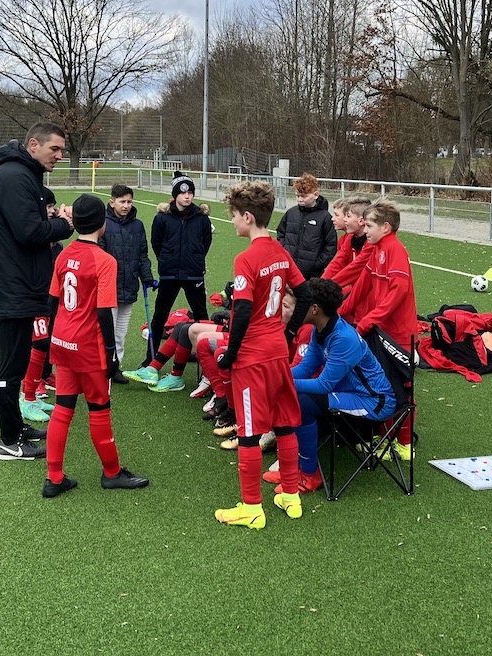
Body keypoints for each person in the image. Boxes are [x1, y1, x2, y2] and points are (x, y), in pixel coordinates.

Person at [213, 180, 312, 529]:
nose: (232, 222)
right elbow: (305, 293)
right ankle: (290, 495)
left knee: (249, 431)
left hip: (253, 357)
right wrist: (288, 332)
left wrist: (230, 354)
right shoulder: (280, 252)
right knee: (284, 423)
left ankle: (251, 507)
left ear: (248, 217)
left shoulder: (246, 258)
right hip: (277, 352)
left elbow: (241, 310)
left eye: (234, 216)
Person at [43, 194, 150, 497]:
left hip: (62, 341)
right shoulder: (104, 260)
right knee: (99, 408)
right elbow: (104, 311)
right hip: (88, 346)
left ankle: (54, 477)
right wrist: (111, 353)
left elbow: (52, 301)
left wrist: (52, 338)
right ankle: (112, 473)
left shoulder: (64, 254)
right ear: (103, 223)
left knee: (63, 408)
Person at [0, 121, 74, 461]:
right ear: (33, 145)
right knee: (10, 366)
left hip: (21, 282)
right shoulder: (14, 177)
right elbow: (29, 232)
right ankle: (9, 442)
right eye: (55, 149)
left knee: (19, 361)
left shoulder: (26, 175)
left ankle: (16, 428)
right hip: (12, 285)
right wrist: (64, 224)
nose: (60, 155)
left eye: (62, 149)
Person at [266, 278, 395, 494]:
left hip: (373, 401)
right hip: (348, 393)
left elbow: (324, 384)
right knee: (288, 394)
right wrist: (275, 376)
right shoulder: (320, 329)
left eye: (302, 302)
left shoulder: (344, 338)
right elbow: (306, 368)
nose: (297, 308)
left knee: (300, 402)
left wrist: (283, 382)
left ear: (314, 309)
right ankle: (291, 468)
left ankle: (309, 474)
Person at [340, 198, 419, 461]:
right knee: (381, 384)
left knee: (402, 389)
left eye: (370, 225)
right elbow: (362, 286)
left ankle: (405, 445)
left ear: (385, 227)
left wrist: (368, 321)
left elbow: (398, 292)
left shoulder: (394, 249)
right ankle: (385, 436)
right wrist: (338, 312)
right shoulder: (377, 249)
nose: (365, 229)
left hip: (398, 335)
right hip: (381, 332)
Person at [135, 171, 213, 372]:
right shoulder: (162, 219)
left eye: (190, 193)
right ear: (175, 195)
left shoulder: (202, 219)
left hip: (194, 274)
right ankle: (150, 359)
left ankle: (206, 361)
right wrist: (167, 260)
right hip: (169, 274)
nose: (187, 196)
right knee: (159, 317)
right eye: (183, 193)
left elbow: (205, 243)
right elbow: (157, 244)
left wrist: (194, 259)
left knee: (202, 316)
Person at [100, 183, 157, 383]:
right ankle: (104, 367)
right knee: (108, 331)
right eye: (122, 201)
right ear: (112, 202)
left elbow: (142, 254)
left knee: (121, 332)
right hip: (109, 287)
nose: (126, 205)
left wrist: (147, 277)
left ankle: (116, 367)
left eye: (129, 201)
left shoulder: (137, 225)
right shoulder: (103, 223)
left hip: (130, 284)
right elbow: (100, 254)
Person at [19, 187, 65, 422]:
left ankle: (33, 392)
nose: (52, 211)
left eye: (53, 206)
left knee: (44, 344)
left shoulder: (53, 238)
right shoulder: (32, 235)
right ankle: (27, 397)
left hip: (48, 299)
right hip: (34, 298)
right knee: (37, 345)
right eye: (48, 206)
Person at [275, 172, 338, 278]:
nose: (300, 199)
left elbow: (331, 244)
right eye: (297, 196)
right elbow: (281, 232)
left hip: (311, 274)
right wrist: (284, 253)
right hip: (289, 269)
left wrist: (317, 264)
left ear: (315, 195)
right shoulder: (291, 213)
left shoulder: (325, 217)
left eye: (304, 196)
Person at [323, 195, 373, 294]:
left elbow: (355, 267)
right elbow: (338, 262)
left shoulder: (371, 243)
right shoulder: (349, 238)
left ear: (361, 221)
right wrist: (322, 283)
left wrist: (326, 287)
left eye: (348, 216)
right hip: (356, 291)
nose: (344, 219)